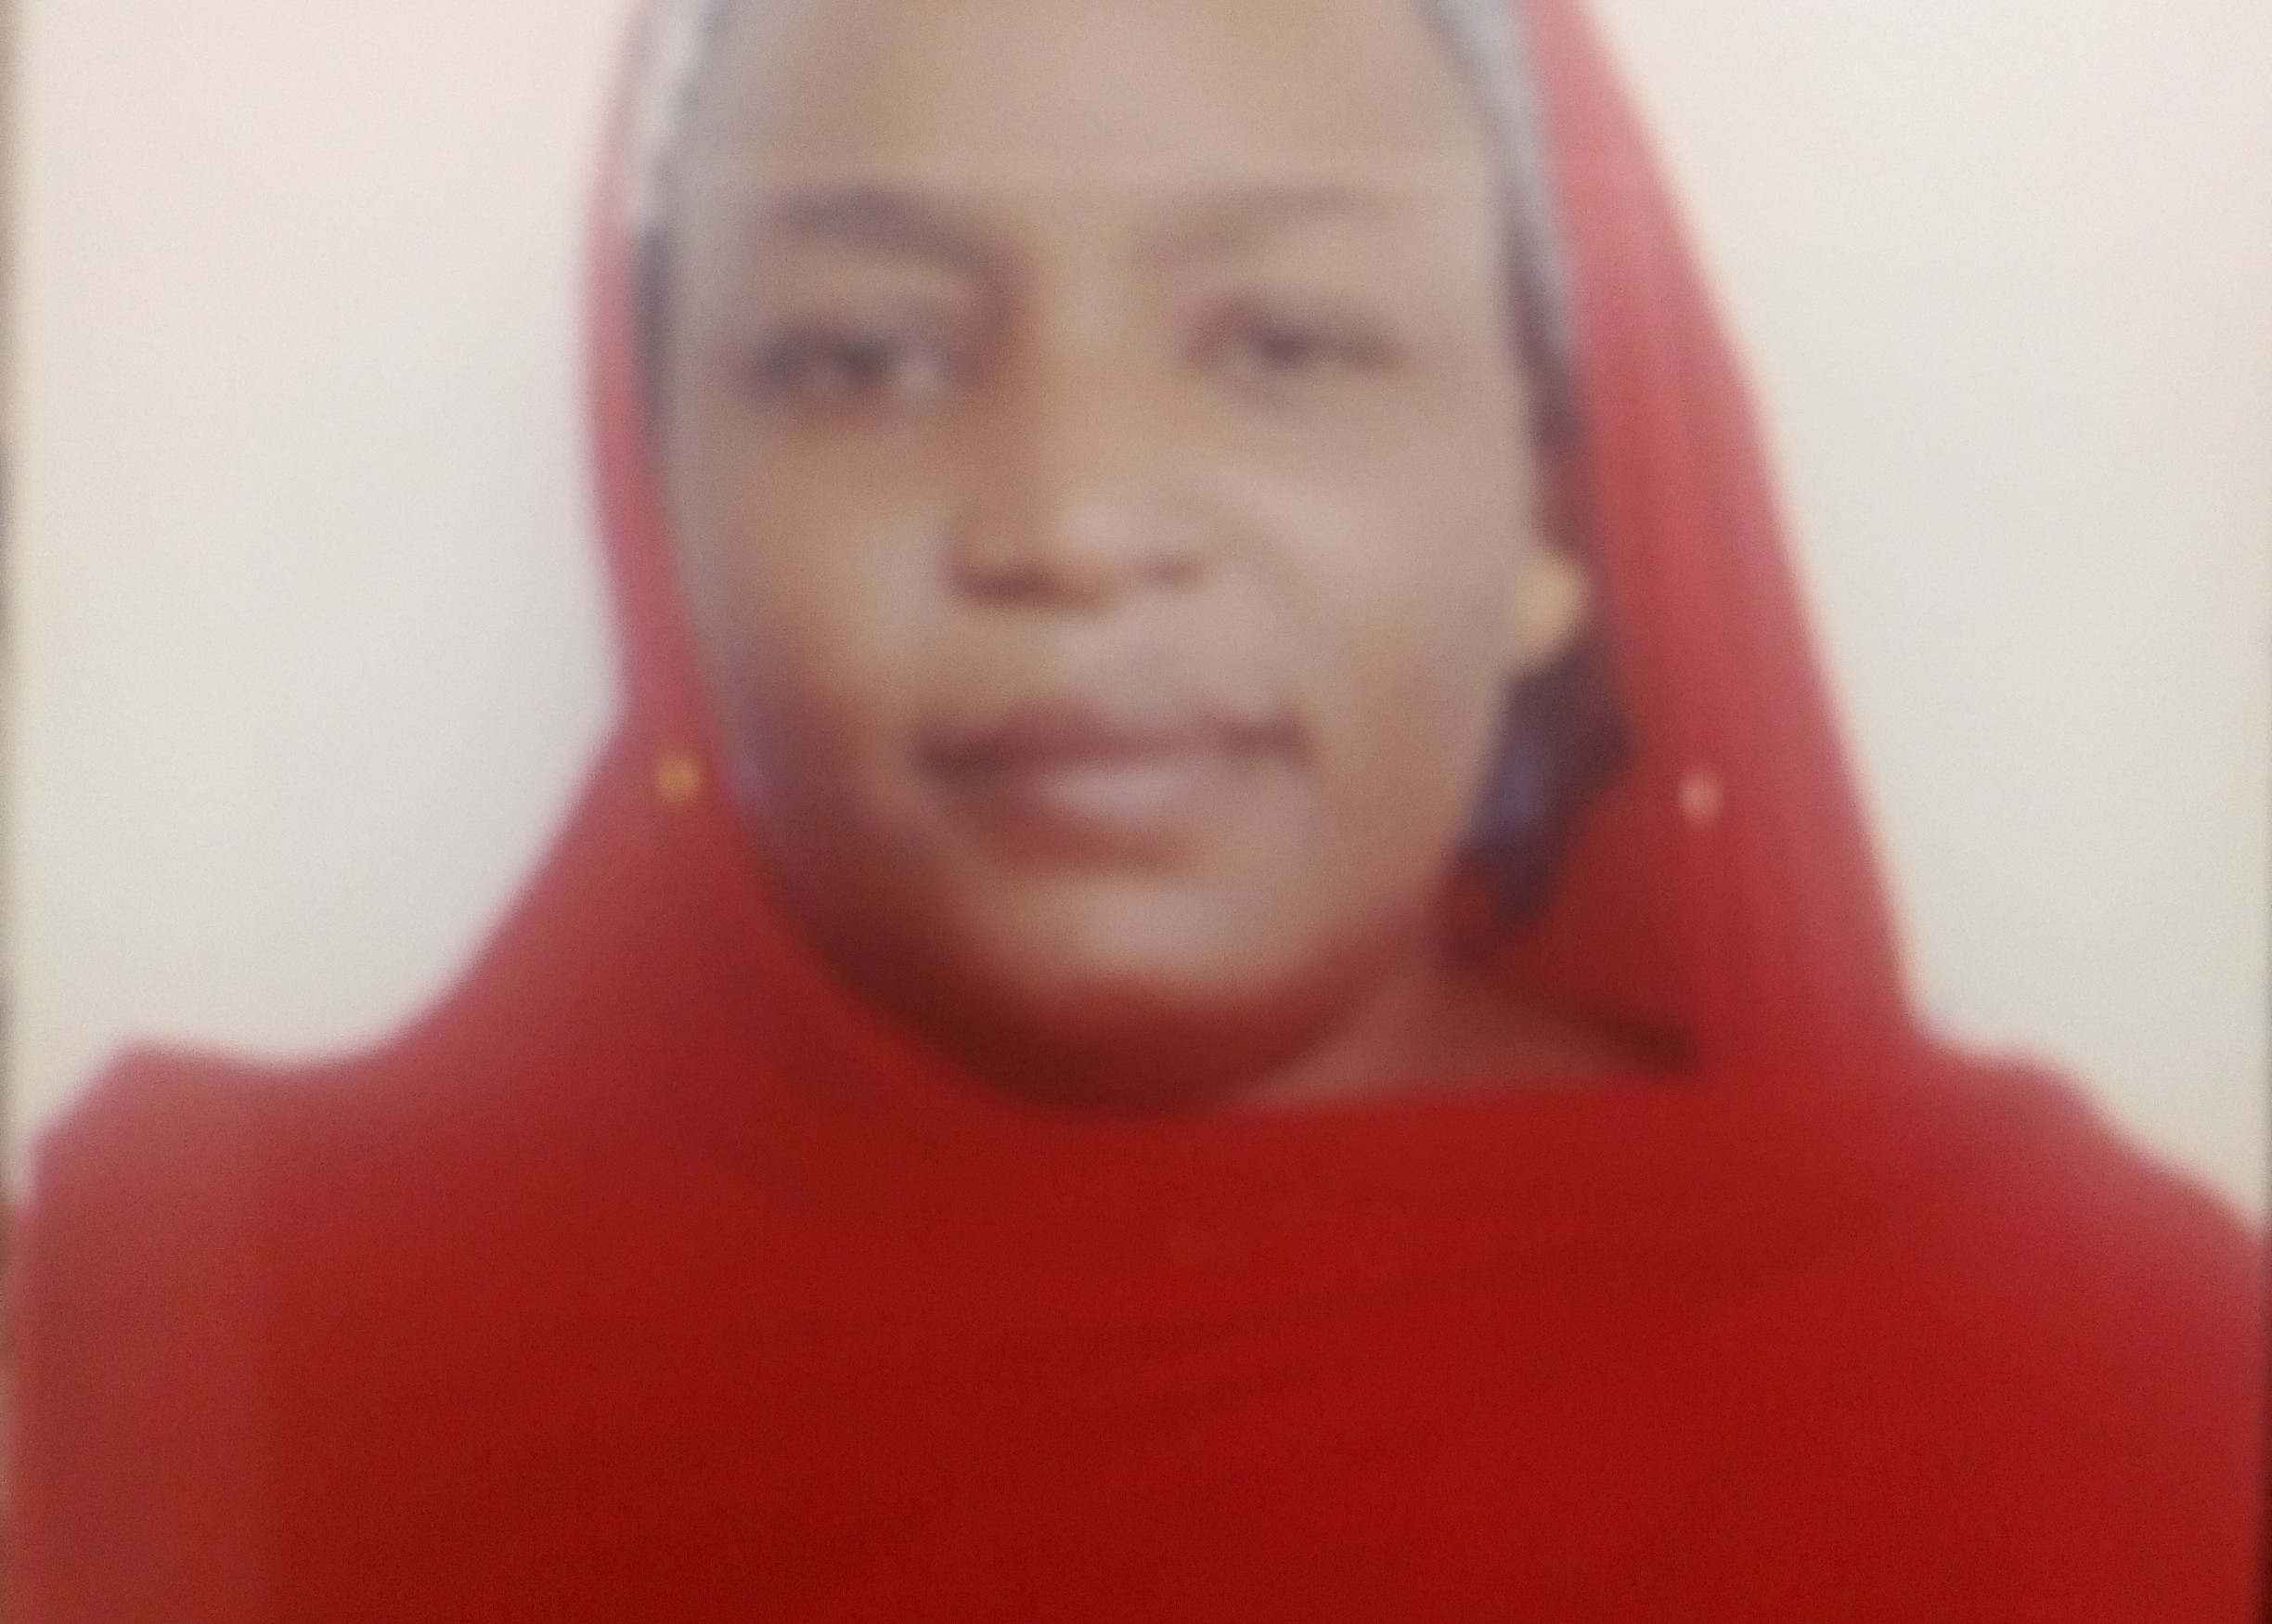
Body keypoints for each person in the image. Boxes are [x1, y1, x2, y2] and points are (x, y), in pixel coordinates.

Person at [13, 0, 2263, 1618]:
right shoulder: (214, 1352)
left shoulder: (2079, 1374)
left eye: (1286, 345)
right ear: (656, 501)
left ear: (1563, 505)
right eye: (863, 355)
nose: (1079, 520)